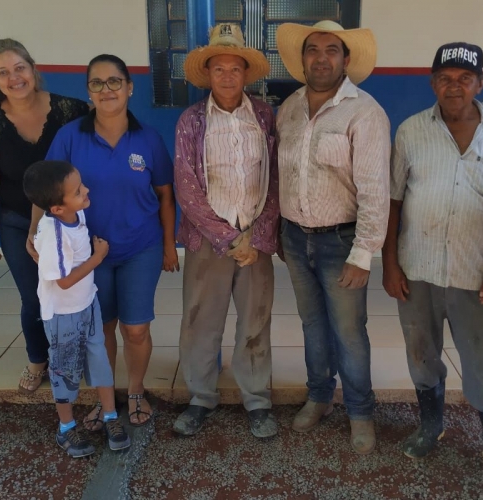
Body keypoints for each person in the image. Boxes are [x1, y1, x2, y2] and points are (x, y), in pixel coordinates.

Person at [383, 42, 483, 492]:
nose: (454, 86)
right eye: (445, 77)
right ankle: (431, 425)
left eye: (465, 78)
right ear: (433, 83)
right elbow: (393, 200)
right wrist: (389, 261)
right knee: (422, 354)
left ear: (480, 83)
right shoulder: (410, 132)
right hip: (417, 268)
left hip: (475, 272)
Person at [41, 54, 177, 429]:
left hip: (141, 247)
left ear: (129, 87)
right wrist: (40, 237)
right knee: (101, 329)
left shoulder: (148, 139)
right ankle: (105, 397)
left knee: (136, 328)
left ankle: (135, 390)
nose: (107, 90)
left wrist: (169, 245)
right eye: (97, 83)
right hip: (89, 253)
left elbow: (166, 196)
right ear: (89, 91)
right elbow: (48, 191)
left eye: (114, 81)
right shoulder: (70, 137)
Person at [275, 20, 390, 455]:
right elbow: (281, 175)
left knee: (349, 331)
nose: (321, 58)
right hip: (295, 238)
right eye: (313, 50)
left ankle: (360, 412)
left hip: (340, 243)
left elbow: (375, 190)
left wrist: (363, 254)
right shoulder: (288, 108)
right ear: (302, 58)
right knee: (312, 325)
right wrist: (282, 232)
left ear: (345, 59)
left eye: (331, 50)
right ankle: (320, 396)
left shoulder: (364, 112)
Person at [0, 39, 89, 394]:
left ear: (33, 69)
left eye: (19, 68)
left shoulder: (70, 110)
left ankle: (79, 355)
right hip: (17, 223)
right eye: (3, 72)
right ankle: (38, 359)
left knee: (77, 291)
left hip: (70, 221)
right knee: (34, 297)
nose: (14, 77)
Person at [172, 23, 279, 438]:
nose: (228, 76)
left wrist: (255, 235)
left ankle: (256, 399)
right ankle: (200, 396)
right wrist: (227, 236)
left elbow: (275, 182)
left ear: (246, 74)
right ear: (208, 74)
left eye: (236, 68)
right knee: (201, 321)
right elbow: (186, 185)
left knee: (255, 320)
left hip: (256, 242)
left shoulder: (265, 116)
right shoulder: (192, 120)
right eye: (220, 69)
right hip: (209, 242)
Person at [22, 160, 130, 457]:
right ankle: (66, 428)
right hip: (62, 315)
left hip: (87, 303)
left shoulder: (76, 212)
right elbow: (65, 282)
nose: (86, 190)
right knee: (65, 370)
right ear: (57, 208)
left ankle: (110, 416)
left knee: (100, 359)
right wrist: (99, 257)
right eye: (78, 190)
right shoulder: (53, 234)